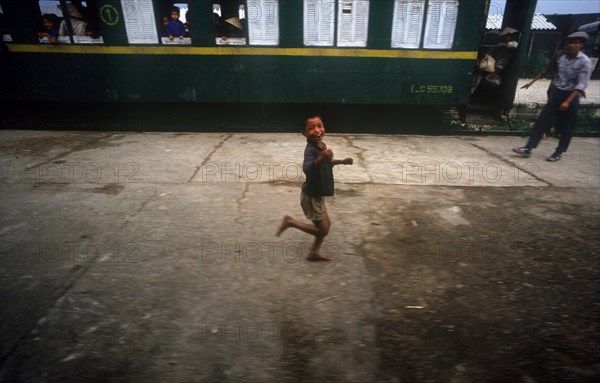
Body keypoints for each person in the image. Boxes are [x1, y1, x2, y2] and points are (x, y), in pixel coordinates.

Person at [276, 113, 353, 261]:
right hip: (311, 196)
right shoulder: (310, 150)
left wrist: (342, 161)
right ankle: (290, 222)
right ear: (304, 133)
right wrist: (322, 157)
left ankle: (314, 252)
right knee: (323, 230)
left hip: (318, 194)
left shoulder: (321, 145)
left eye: (320, 125)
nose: (317, 130)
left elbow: (327, 163)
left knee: (326, 225)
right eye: (311, 128)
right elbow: (308, 168)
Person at [513, 31, 592, 162]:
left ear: (581, 45)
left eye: (576, 43)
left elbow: (581, 84)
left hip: (571, 95)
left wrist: (567, 101)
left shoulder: (585, 62)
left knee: (566, 126)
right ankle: (528, 148)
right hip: (558, 92)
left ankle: (559, 152)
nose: (572, 45)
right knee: (542, 120)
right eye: (570, 43)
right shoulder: (562, 58)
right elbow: (556, 77)